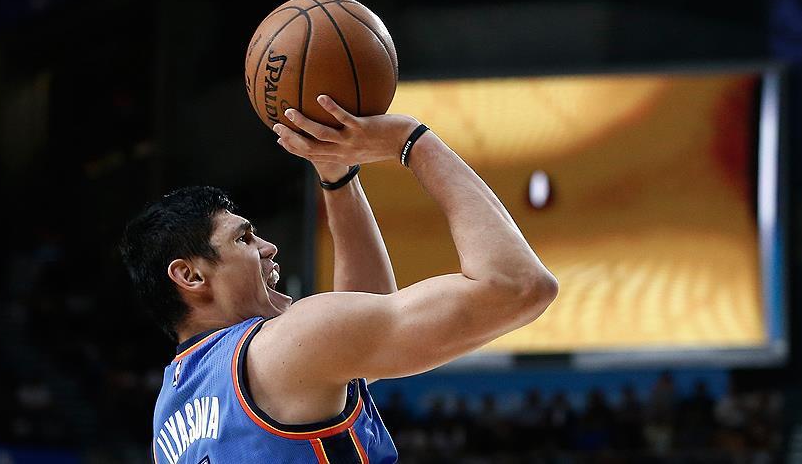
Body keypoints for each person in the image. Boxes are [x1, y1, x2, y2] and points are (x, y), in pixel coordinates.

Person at [120, 95, 559, 463]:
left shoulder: (169, 413)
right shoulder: (279, 348)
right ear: (190, 275)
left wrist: (338, 177)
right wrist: (411, 141)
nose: (268, 248)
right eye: (245, 238)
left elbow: (357, 333)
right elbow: (517, 286)